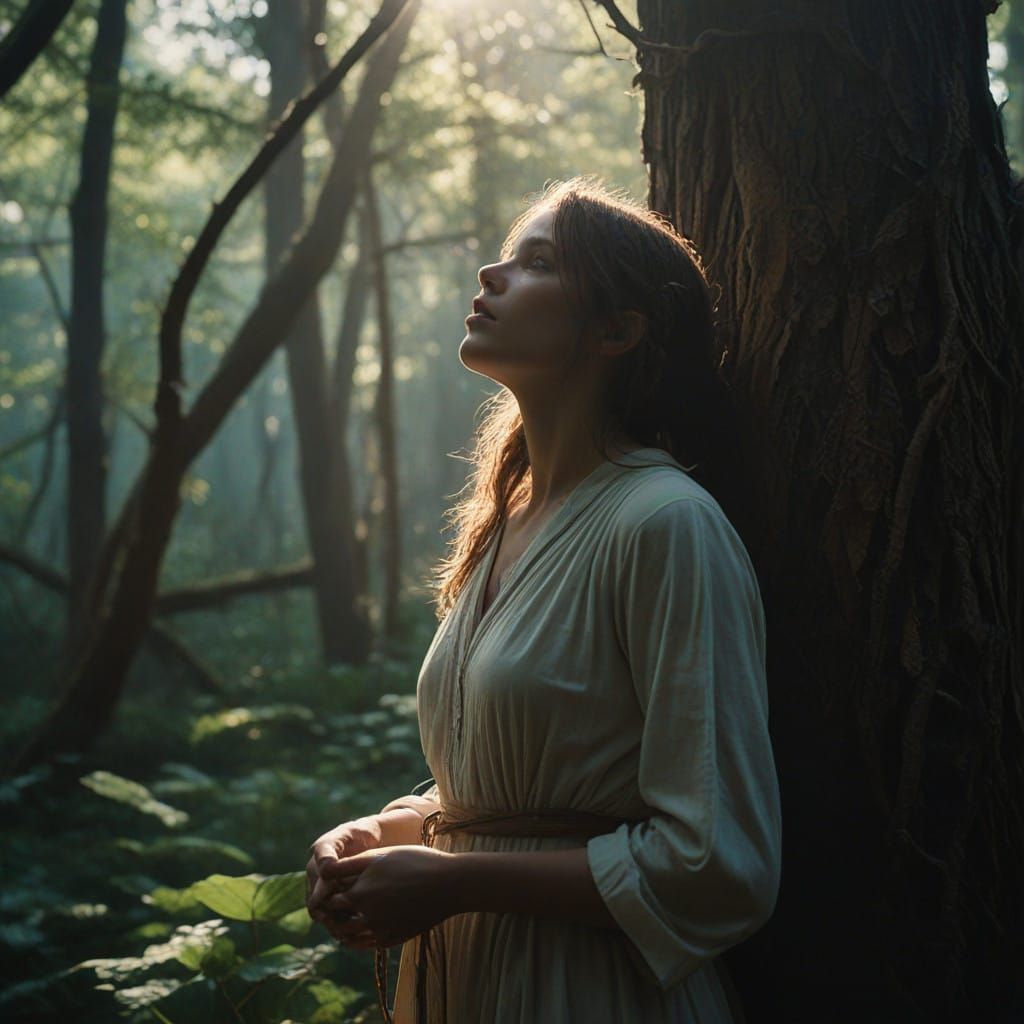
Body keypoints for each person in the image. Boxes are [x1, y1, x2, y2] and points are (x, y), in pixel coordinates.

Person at [305, 176, 782, 1023]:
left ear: (617, 330)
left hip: (594, 990)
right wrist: (396, 833)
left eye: (537, 263)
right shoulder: (501, 527)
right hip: (473, 984)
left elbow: (717, 861)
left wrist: (457, 882)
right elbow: (522, 790)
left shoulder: (667, 525)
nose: (491, 274)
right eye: (504, 255)